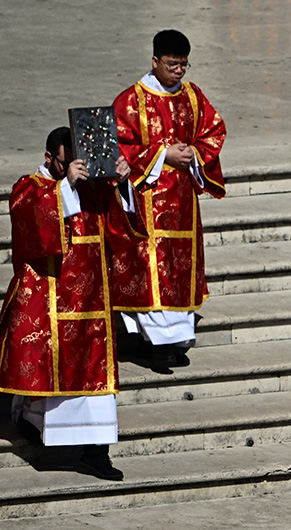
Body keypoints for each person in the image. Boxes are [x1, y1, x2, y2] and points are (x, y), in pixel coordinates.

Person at [0, 126, 142, 481]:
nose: (75, 168)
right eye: (67, 163)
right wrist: (65, 188)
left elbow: (120, 232)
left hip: (92, 302)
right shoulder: (29, 186)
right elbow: (29, 226)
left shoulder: (94, 188)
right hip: (50, 298)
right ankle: (35, 426)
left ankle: (97, 453)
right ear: (51, 158)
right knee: (48, 382)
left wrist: (123, 184)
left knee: (97, 382)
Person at [113, 29, 226, 373]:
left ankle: (177, 341)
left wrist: (193, 152)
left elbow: (214, 130)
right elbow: (121, 145)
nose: (178, 71)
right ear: (155, 61)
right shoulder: (132, 100)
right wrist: (162, 155)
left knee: (179, 270)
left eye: (183, 65)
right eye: (172, 64)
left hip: (184, 202)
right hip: (148, 202)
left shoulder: (193, 96)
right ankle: (157, 344)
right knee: (154, 269)